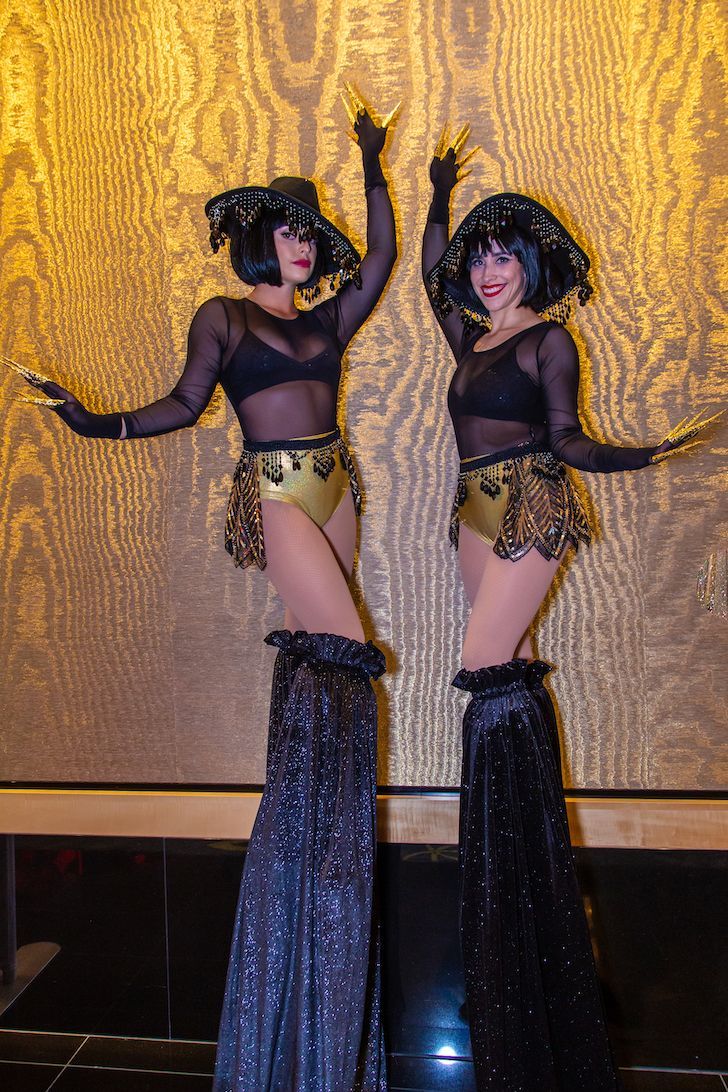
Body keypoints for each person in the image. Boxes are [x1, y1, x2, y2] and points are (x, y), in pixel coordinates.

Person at [5, 88, 397, 1092]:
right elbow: (182, 407)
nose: (301, 253)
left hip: (334, 482)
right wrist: (91, 424)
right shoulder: (220, 317)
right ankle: (318, 875)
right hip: (274, 491)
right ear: (255, 243)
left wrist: (372, 163)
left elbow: (384, 262)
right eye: (284, 236)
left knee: (333, 670)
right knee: (344, 660)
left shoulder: (328, 319)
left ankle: (318, 858)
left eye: (310, 239)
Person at [421, 129, 716, 1091]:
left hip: (535, 503)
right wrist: (433, 193)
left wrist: (647, 454)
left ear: (532, 264)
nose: (487, 267)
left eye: (505, 253)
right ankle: (514, 890)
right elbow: (428, 276)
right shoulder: (471, 335)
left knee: (484, 664)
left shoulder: (552, 339)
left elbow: (573, 444)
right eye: (479, 253)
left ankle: (521, 907)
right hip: (471, 509)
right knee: (493, 687)